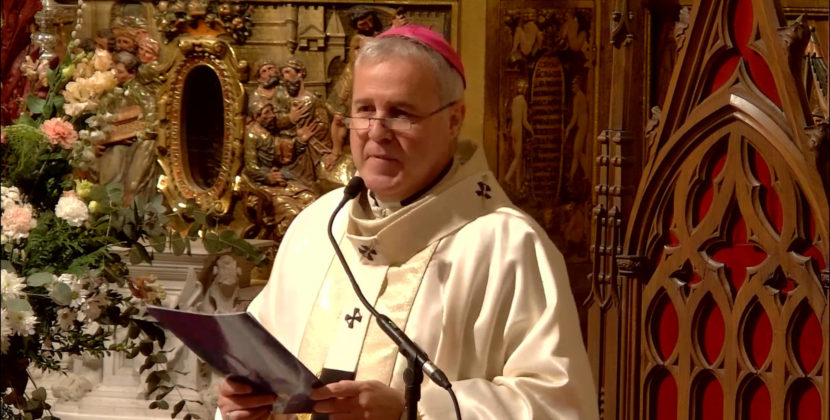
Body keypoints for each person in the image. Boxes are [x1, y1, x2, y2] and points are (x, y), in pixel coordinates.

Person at [217, 24, 598, 420]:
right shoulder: (316, 226)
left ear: (454, 120)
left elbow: (559, 406)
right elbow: (261, 359)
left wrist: (411, 411)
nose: (376, 132)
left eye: (401, 113)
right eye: (365, 110)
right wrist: (241, 403)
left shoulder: (507, 244)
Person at [503, 78, 534, 192]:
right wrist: (532, 131)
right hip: (519, 130)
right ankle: (507, 178)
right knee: (518, 157)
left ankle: (518, 185)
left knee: (518, 158)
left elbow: (510, 117)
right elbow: (525, 122)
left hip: (512, 129)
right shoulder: (523, 102)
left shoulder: (514, 100)